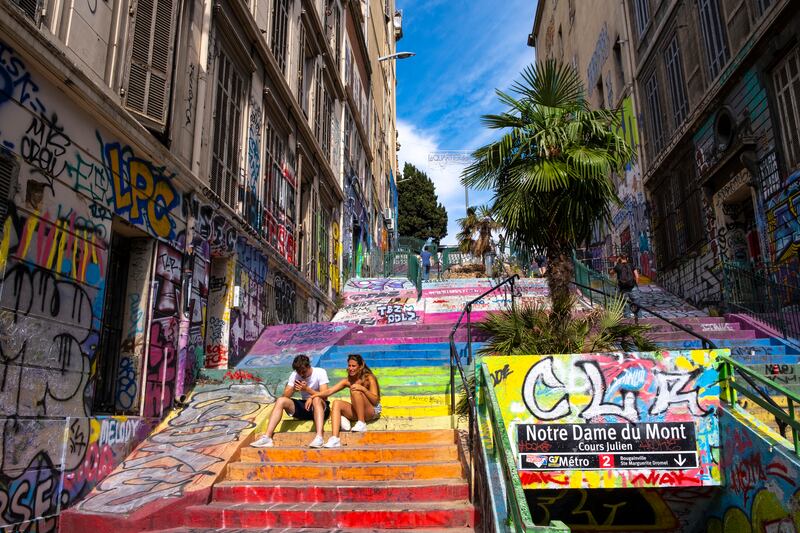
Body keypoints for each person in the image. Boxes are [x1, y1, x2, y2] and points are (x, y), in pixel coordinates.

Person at [251, 354, 330, 448]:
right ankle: (267, 437)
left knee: (317, 399)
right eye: (299, 372)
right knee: (281, 401)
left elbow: (325, 396)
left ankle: (319, 437)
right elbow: (285, 396)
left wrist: (308, 392)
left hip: (321, 406)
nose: (301, 374)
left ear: (309, 366)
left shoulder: (320, 372)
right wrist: (293, 389)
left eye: (303, 371)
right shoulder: (295, 375)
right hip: (305, 407)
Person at [307, 354, 381, 448]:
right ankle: (335, 439)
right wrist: (312, 396)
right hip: (359, 411)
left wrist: (363, 389)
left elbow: (375, 400)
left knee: (355, 390)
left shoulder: (369, 377)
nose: (351, 368)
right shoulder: (347, 380)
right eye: (349, 366)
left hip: (372, 410)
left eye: (353, 366)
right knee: (336, 403)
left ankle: (361, 423)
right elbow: (329, 391)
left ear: (360, 366)